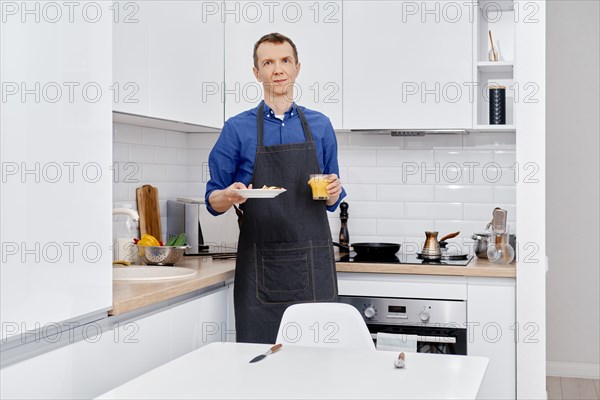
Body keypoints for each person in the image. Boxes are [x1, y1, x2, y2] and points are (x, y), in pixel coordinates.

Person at [205, 32, 347, 344]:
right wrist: (228, 196)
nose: (278, 69)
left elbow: (331, 197)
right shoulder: (236, 129)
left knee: (317, 368)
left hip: (314, 266)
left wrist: (334, 192)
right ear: (256, 72)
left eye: (285, 61)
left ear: (297, 67)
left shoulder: (321, 126)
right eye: (268, 62)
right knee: (259, 367)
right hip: (260, 269)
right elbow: (213, 199)